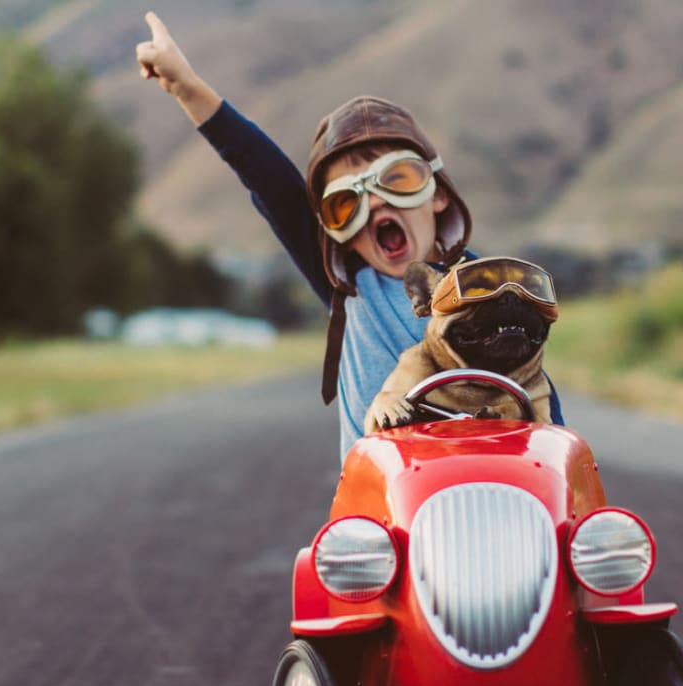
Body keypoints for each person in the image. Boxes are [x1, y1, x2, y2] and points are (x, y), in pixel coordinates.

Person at [135, 11, 563, 461]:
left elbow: (538, 398)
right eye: (346, 204)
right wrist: (187, 87)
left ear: (437, 194)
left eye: (397, 179)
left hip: (492, 489)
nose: (376, 204)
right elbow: (270, 181)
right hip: (380, 513)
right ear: (335, 231)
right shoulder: (352, 285)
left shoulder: (490, 288)